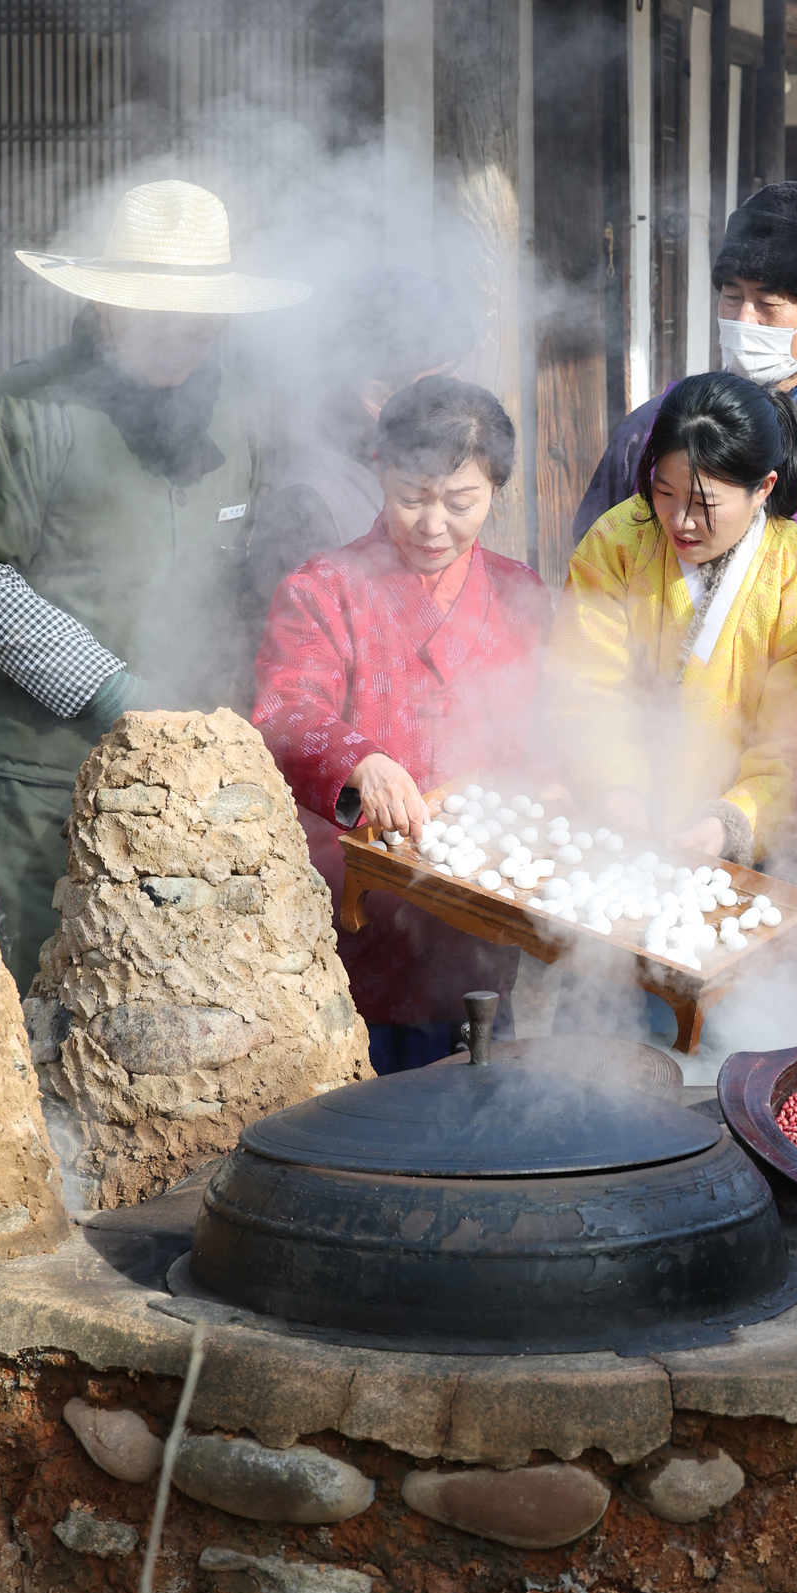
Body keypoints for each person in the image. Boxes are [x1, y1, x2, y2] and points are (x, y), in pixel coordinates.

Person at [0, 179, 309, 993]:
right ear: (106, 307)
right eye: (156, 315)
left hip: (192, 774)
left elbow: (247, 573)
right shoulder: (28, 406)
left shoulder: (237, 411)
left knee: (172, 1015)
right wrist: (111, 692)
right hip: (47, 776)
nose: (182, 335)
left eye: (199, 319)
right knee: (38, 997)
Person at [252, 376, 551, 1075]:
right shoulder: (323, 588)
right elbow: (285, 711)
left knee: (481, 1108)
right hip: (359, 920)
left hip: (482, 910)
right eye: (413, 497)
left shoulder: (520, 593)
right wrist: (361, 760)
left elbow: (549, 735)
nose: (432, 525)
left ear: (496, 490)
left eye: (461, 501)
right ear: (380, 470)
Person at [545, 371, 797, 870]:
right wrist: (617, 786)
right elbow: (585, 687)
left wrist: (728, 822)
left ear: (764, 487)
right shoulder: (617, 541)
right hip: (614, 825)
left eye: (705, 505)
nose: (679, 520)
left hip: (742, 857)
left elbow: (794, 747)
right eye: (664, 492)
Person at [573, 182, 797, 568]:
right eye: (732, 296)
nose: (744, 319)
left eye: (767, 302)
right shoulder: (651, 429)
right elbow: (593, 567)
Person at [246, 270, 477, 595]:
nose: (462, 386)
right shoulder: (307, 508)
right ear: (378, 399)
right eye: (446, 375)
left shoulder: (412, 472)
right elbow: (301, 641)